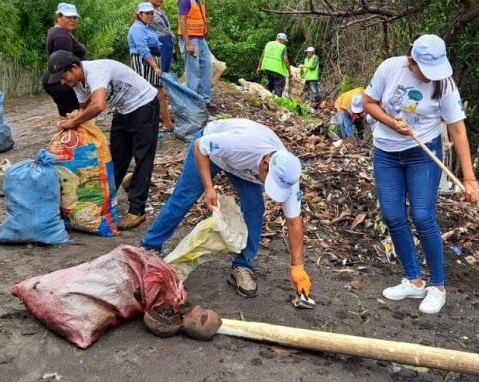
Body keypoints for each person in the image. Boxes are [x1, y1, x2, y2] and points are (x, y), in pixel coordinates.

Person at [363, 34, 479, 314]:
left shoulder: (445, 85)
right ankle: (414, 281)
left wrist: (469, 178)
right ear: (412, 60)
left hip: (422, 153)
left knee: (423, 216)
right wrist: (392, 124)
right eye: (425, 70)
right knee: (392, 215)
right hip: (385, 153)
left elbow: (458, 128)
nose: (430, 77)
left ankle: (437, 286)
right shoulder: (390, 68)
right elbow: (368, 102)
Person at [141, 118, 312, 300]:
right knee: (184, 197)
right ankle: (150, 248)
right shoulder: (242, 144)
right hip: (210, 153)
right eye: (270, 181)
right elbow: (201, 146)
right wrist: (209, 187)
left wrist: (298, 267)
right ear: (265, 164)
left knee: (255, 209)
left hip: (243, 169)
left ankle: (243, 265)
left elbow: (294, 222)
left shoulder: (288, 177)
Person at [48, 51, 160, 230]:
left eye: (63, 76)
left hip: (144, 105)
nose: (63, 82)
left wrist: (73, 122)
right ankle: (107, 200)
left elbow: (98, 105)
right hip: (124, 110)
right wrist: (71, 125)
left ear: (75, 67)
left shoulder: (96, 71)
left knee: (143, 158)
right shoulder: (77, 82)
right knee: (113, 157)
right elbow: (84, 108)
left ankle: (137, 211)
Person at [131, 2, 175, 133]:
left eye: (152, 13)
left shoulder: (147, 27)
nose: (150, 16)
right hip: (144, 63)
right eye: (147, 13)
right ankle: (163, 123)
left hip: (153, 60)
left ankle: (162, 122)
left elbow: (157, 43)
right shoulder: (137, 29)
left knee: (159, 94)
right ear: (139, 14)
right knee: (154, 93)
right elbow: (143, 50)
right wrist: (155, 66)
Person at [42, 3, 86, 117]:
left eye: (74, 17)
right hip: (63, 82)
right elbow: (64, 65)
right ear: (59, 17)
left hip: (57, 81)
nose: (72, 20)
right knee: (75, 119)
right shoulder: (62, 36)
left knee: (69, 119)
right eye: (68, 17)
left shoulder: (57, 31)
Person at [178, 0, 212, 102]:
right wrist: (188, 43)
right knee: (193, 70)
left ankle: (204, 98)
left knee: (207, 66)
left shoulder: (200, 1)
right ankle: (192, 99)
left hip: (201, 38)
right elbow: (182, 21)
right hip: (190, 39)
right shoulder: (185, 1)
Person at [256, 33, 291, 97]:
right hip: (278, 70)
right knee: (279, 86)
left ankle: (265, 97)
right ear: (281, 39)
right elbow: (285, 60)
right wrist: (289, 71)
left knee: (270, 84)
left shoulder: (268, 44)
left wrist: (259, 67)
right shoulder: (282, 47)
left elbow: (262, 56)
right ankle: (278, 101)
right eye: (284, 41)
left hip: (267, 69)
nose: (285, 42)